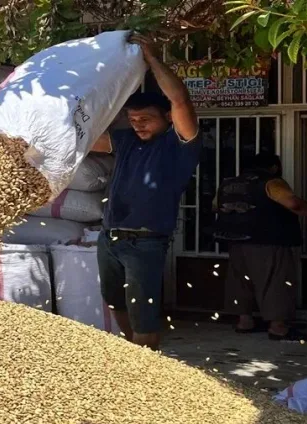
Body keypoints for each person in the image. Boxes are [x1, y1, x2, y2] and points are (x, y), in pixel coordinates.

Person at [90, 33, 202, 351]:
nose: (138, 125)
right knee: (115, 301)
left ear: (167, 118)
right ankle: (134, 354)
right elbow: (83, 141)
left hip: (145, 241)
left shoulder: (179, 144)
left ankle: (146, 368)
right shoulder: (126, 141)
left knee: (144, 313)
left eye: (146, 119)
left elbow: (180, 100)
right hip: (109, 236)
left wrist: (151, 59)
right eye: (133, 119)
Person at [212, 153, 307, 341]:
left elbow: (216, 207)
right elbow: (293, 203)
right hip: (268, 239)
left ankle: (245, 322)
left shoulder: (227, 184)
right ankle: (278, 327)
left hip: (235, 241)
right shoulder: (271, 182)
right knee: (275, 282)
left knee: (241, 281)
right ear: (273, 167)